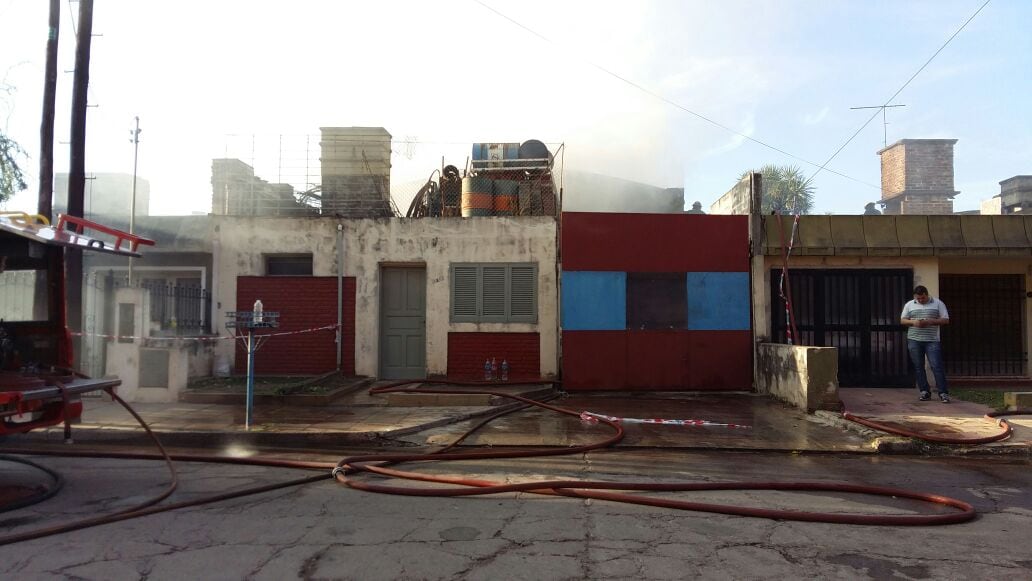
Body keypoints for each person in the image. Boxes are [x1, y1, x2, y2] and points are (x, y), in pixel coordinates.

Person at [900, 285, 950, 402]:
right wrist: (914, 322)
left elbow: (946, 319)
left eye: (923, 298)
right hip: (914, 339)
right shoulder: (909, 304)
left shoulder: (938, 303)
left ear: (927, 295)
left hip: (932, 339)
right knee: (918, 366)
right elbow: (902, 320)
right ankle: (924, 391)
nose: (921, 300)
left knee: (936, 366)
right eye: (918, 299)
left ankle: (943, 393)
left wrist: (931, 321)